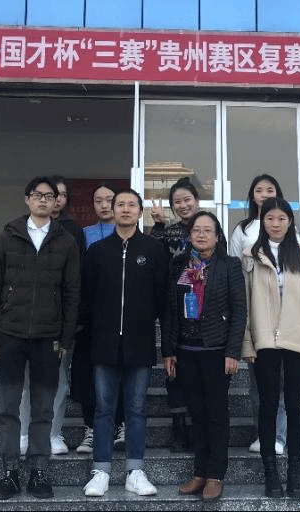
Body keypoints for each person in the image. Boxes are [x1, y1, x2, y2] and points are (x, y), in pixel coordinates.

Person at [0, 176, 81, 500]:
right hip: (9, 333)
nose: (43, 200)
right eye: (37, 195)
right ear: (27, 199)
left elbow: (72, 294)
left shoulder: (65, 242)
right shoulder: (8, 236)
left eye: (49, 196)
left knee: (42, 409)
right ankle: (10, 472)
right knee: (8, 408)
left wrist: (66, 338)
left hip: (48, 336)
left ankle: (38, 470)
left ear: (56, 202)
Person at [242, 197, 300, 499]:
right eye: (270, 218)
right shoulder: (250, 257)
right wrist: (247, 342)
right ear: (262, 221)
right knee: (267, 406)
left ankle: (295, 473)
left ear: (290, 222)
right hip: (264, 341)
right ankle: (271, 473)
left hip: (298, 339)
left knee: (295, 406)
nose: (276, 224)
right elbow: (244, 302)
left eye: (281, 218)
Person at [81, 188, 168, 498]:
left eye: (132, 204)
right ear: (113, 209)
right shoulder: (97, 251)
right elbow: (86, 300)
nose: (126, 209)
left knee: (136, 409)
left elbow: (163, 301)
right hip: (103, 345)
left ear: (140, 212)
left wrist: (167, 347)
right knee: (103, 410)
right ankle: (101, 471)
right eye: (120, 204)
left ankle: (135, 471)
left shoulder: (154, 250)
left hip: (139, 344)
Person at [162, 211, 246, 502]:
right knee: (196, 413)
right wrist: (168, 350)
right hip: (186, 351)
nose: (201, 234)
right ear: (189, 235)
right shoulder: (179, 264)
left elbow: (239, 310)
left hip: (216, 351)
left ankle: (215, 475)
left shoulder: (229, 265)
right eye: (196, 230)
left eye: (207, 230)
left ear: (217, 236)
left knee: (216, 414)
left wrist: (233, 351)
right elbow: (170, 310)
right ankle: (199, 471)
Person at [17, 175, 86, 456]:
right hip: (26, 321)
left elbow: (77, 282)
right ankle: (24, 432)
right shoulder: (20, 230)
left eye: (60, 195)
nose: (53, 199)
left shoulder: (73, 234)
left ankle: (54, 433)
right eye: (47, 194)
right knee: (26, 381)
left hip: (60, 322)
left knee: (59, 380)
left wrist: (74, 320)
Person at [228, 174, 287, 455]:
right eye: (259, 190)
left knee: (282, 382)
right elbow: (234, 270)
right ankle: (263, 433)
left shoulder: (289, 228)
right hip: (254, 311)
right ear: (252, 196)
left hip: (285, 312)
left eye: (269, 189)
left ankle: (279, 436)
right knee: (258, 382)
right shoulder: (243, 229)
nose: (264, 194)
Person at [70, 182, 127, 454]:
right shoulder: (84, 235)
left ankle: (120, 424)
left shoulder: (130, 234)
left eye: (109, 199)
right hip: (89, 317)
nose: (104, 205)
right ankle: (91, 429)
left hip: (121, 316)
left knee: (120, 372)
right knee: (86, 373)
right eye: (98, 200)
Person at [149, 177, 201, 452]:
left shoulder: (208, 227)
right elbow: (153, 256)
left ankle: (197, 425)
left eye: (187, 200)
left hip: (203, 310)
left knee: (198, 370)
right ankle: (179, 426)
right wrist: (158, 225)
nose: (183, 205)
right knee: (174, 368)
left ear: (197, 201)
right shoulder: (168, 232)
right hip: (174, 307)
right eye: (177, 202)